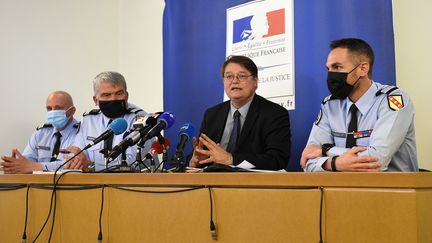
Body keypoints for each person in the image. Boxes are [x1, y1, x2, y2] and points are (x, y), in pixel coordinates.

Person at [300, 38, 418, 172]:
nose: (331, 74)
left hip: (394, 190)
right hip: (341, 190)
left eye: (337, 67)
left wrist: (326, 151)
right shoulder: (330, 105)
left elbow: (376, 161)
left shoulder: (393, 100)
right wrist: (336, 163)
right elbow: (308, 161)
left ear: (363, 68)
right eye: (329, 68)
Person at [190, 55, 291, 171]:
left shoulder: (274, 113)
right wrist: (196, 160)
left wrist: (231, 159)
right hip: (212, 183)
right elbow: (201, 155)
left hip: (250, 186)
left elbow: (277, 159)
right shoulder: (212, 114)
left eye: (242, 76)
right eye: (229, 76)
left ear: (255, 82)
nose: (234, 81)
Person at [65, 71, 154, 172]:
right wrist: (75, 160)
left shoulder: (141, 120)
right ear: (95, 100)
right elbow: (78, 154)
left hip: (135, 184)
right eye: (106, 95)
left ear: (127, 95)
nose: (114, 99)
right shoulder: (88, 120)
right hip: (95, 184)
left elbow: (132, 163)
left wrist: (92, 166)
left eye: (119, 93)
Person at [0, 91, 79, 173]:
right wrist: (14, 167)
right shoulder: (40, 134)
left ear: (72, 111)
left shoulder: (81, 132)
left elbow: (71, 164)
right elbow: (26, 164)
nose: (53, 112)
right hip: (38, 184)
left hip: (67, 184)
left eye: (58, 108)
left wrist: (35, 167)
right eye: (49, 108)